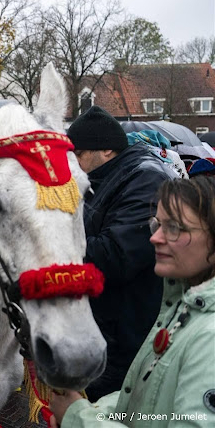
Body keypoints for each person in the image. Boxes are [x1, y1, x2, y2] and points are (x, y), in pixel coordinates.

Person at [49, 177, 215, 427]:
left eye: (174, 228)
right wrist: (91, 410)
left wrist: (78, 418)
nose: (155, 238)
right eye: (157, 225)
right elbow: (149, 402)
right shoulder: (182, 305)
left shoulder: (210, 336)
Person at [66, 106, 177, 400]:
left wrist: (53, 248)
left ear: (106, 150)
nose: (72, 162)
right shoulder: (104, 177)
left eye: (78, 154)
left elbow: (116, 255)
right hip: (103, 326)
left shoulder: (146, 180)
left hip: (125, 334)